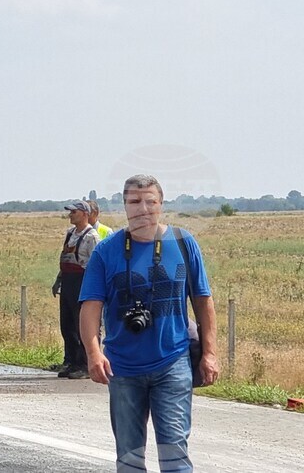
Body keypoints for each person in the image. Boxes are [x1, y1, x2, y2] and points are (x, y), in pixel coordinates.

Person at [80, 174, 219, 472]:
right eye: (134, 202)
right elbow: (90, 307)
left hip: (173, 363)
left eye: (150, 201)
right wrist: (93, 353)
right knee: (129, 457)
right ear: (124, 206)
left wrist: (209, 353)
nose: (142, 209)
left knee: (175, 454)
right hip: (122, 367)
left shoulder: (183, 243)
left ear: (161, 204)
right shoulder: (106, 251)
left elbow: (203, 301)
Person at [52, 200, 98, 379]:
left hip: (82, 282)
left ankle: (85, 365)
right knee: (67, 324)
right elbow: (65, 257)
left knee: (82, 325)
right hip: (68, 281)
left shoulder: (91, 236)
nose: (70, 215)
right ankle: (72, 362)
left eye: (74, 212)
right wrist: (59, 280)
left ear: (85, 214)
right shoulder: (70, 233)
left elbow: (96, 265)